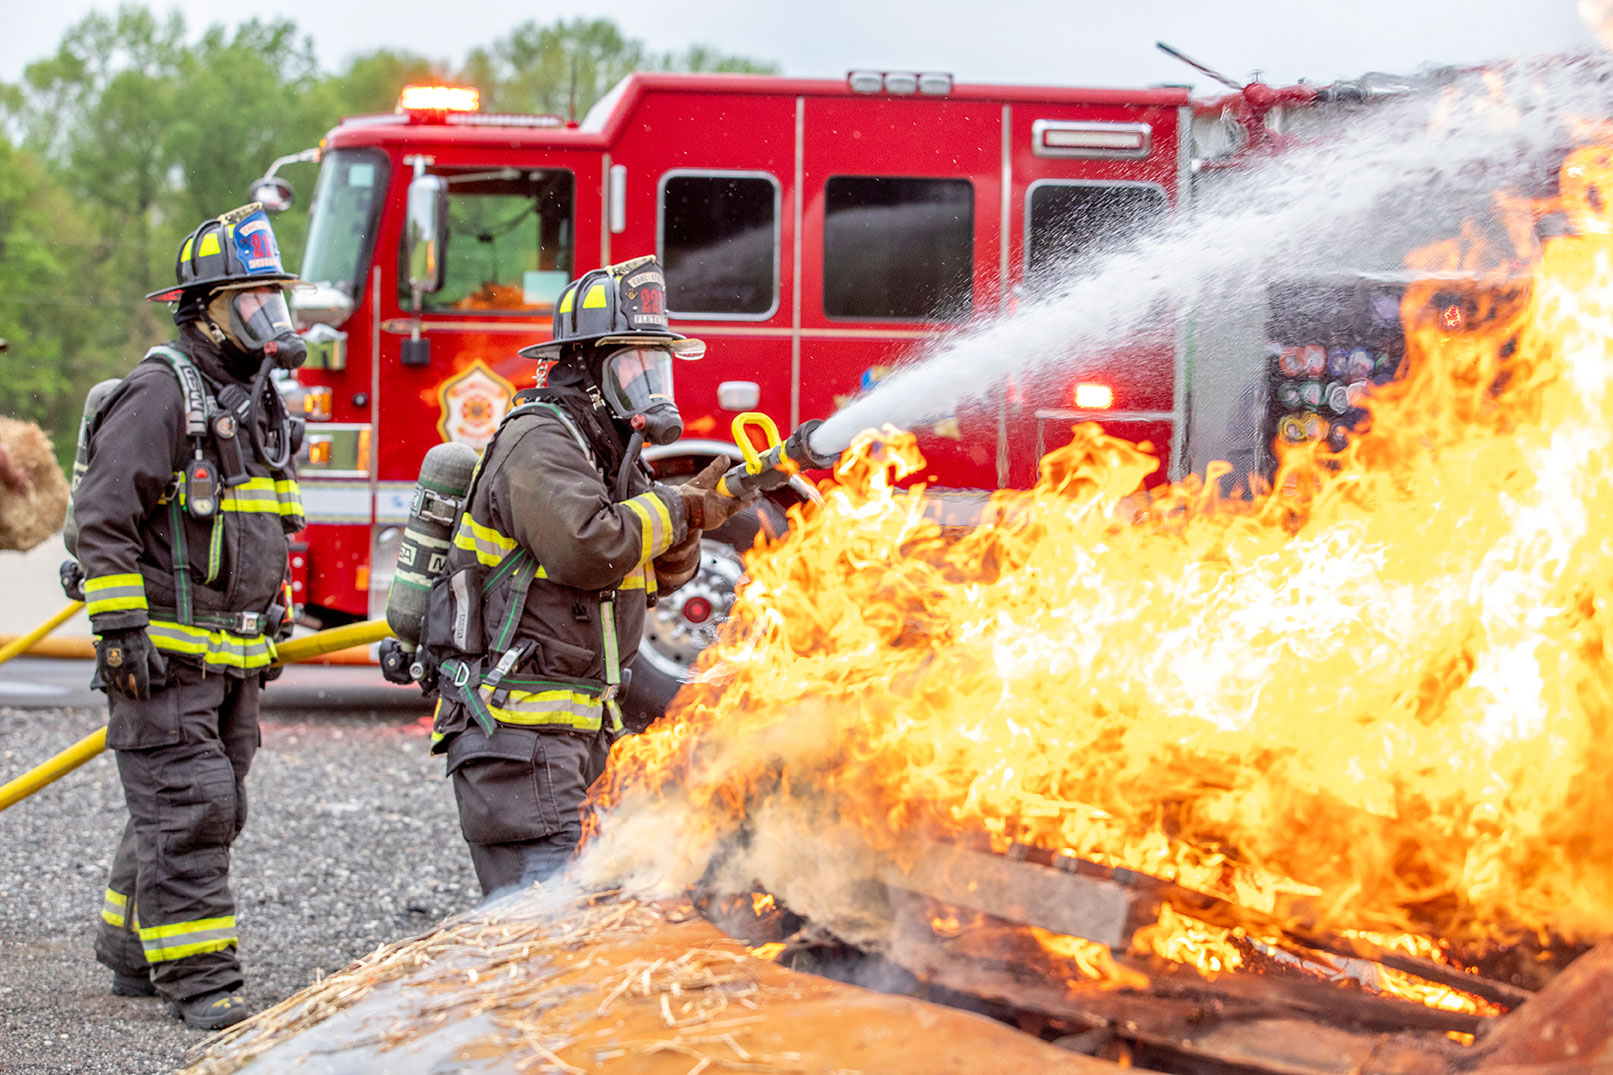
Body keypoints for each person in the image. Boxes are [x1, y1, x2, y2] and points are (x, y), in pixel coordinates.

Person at [423, 255, 755, 899]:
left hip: (576, 738)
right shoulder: (540, 441)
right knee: (547, 940)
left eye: (657, 365)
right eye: (635, 365)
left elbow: (649, 577)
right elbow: (589, 548)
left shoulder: (607, 451)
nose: (652, 383)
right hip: (517, 743)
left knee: (578, 934)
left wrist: (693, 520)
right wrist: (681, 507)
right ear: (589, 366)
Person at [74, 203, 306, 1030]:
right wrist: (119, 629)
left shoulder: (257, 400)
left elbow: (269, 520)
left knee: (210, 799)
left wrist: (271, 612)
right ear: (203, 305)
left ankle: (130, 944)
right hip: (162, 654)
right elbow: (104, 516)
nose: (266, 318)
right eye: (249, 301)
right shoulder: (160, 391)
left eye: (271, 298)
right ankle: (200, 976)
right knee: (192, 803)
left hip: (230, 654)